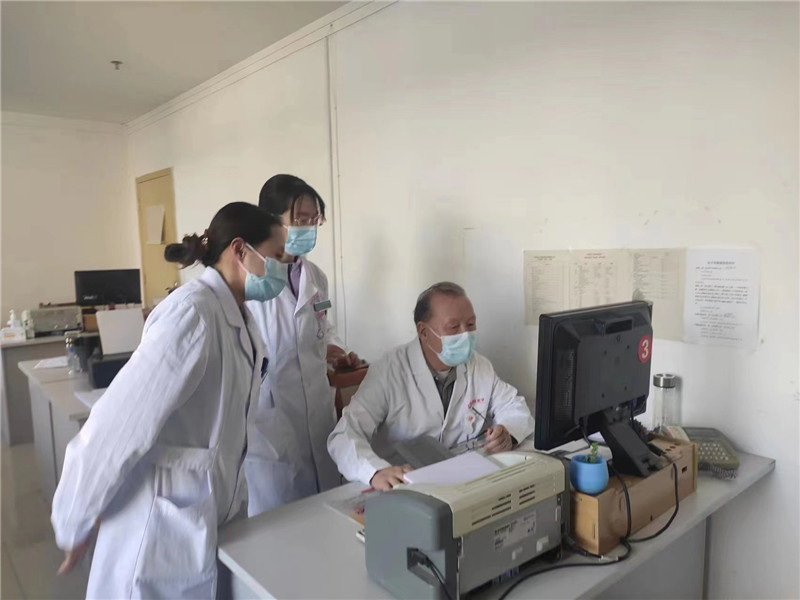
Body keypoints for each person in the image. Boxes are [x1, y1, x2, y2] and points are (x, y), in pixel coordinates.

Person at [51, 202, 287, 599]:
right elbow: (118, 425)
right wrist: (76, 516)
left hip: (210, 516)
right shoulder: (192, 314)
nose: (284, 267)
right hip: (157, 531)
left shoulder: (241, 318)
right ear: (240, 250)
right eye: (277, 256)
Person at [327, 282, 535, 491]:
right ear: (424, 332)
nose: (465, 334)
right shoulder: (389, 370)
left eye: (471, 324)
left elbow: (514, 406)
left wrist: (507, 432)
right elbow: (344, 435)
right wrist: (374, 471)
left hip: (458, 480)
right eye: (454, 327)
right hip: (400, 484)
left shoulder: (478, 366)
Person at [245, 174, 360, 515]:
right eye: (300, 219)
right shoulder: (252, 283)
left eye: (314, 220)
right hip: (272, 428)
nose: (308, 228)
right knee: (282, 528)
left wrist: (334, 352)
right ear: (270, 220)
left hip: (319, 417)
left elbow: (323, 326)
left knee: (326, 516)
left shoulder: (316, 277)